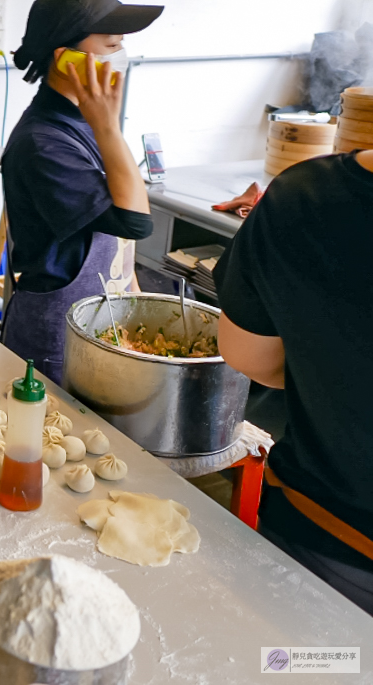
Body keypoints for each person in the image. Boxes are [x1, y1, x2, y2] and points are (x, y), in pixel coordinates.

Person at [214, 149, 373, 616]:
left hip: (315, 557)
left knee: (284, 665)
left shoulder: (304, 196)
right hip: (328, 548)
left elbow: (249, 356)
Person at [0, 0, 163, 383]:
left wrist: (135, 306)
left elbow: (120, 248)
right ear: (66, 59)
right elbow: (134, 222)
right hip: (55, 340)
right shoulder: (43, 143)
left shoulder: (84, 121)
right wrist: (108, 126)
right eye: (110, 47)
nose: (120, 57)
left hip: (100, 325)